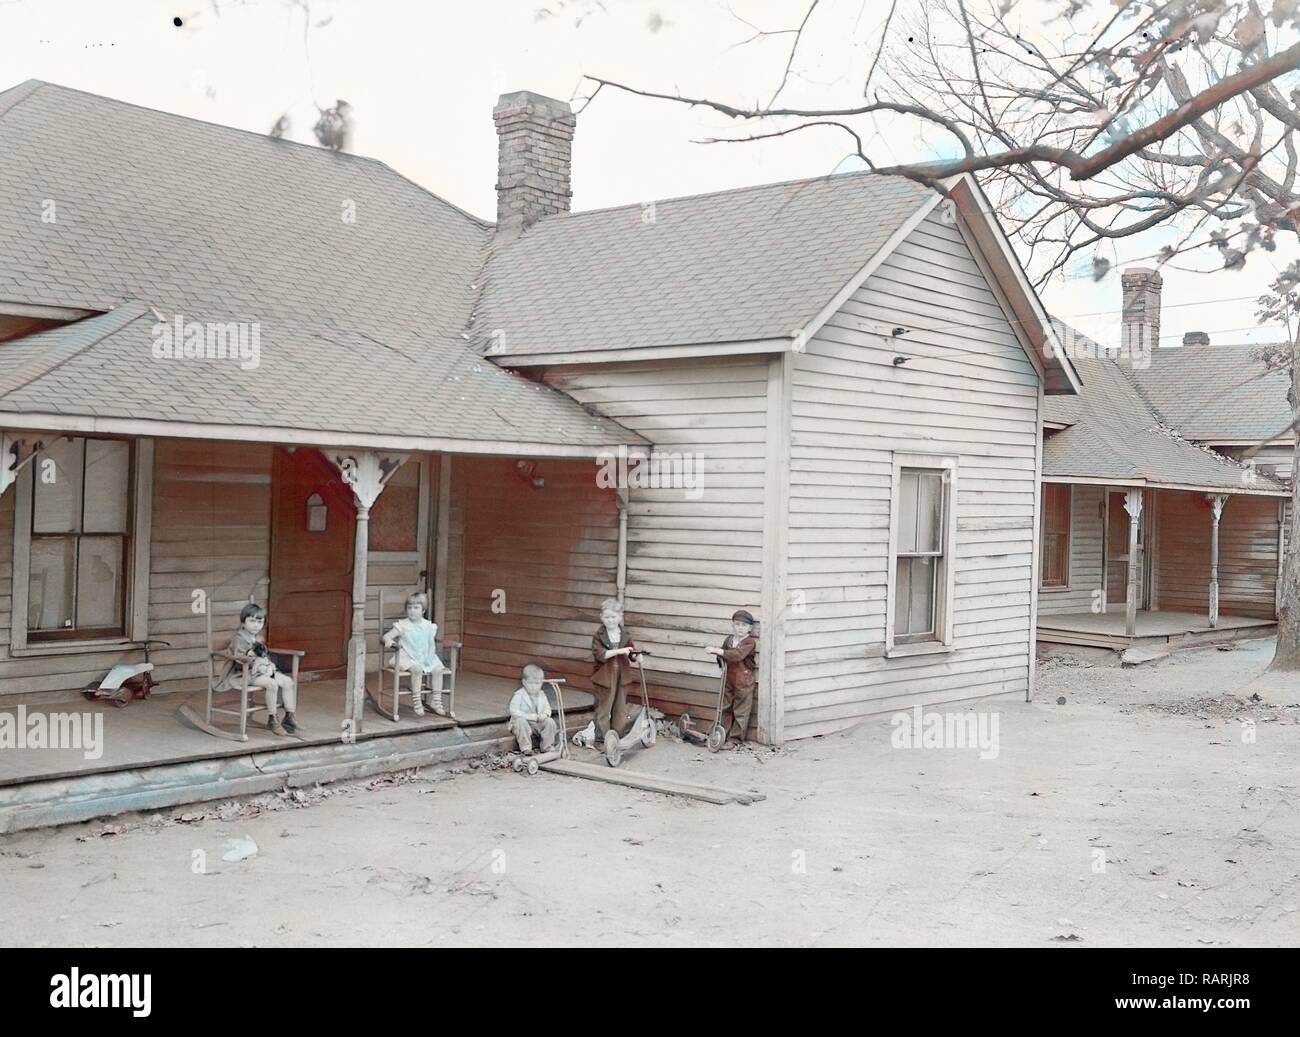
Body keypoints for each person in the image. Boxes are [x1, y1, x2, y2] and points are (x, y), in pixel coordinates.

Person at [217, 603, 301, 736]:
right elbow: (238, 659)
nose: (256, 625)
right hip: (244, 673)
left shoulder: (259, 638)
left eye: (259, 622)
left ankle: (289, 717)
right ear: (243, 622)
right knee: (272, 684)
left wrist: (268, 664)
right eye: (252, 621)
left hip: (262, 671)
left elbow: (263, 655)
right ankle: (272, 718)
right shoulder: (238, 639)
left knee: (287, 682)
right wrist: (250, 657)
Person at [382, 592, 446, 716]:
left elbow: (431, 643)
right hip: (407, 656)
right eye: (409, 608)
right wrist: (389, 640)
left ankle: (436, 701)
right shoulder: (403, 625)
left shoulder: (428, 625)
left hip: (425, 655)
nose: (412, 611)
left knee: (438, 669)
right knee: (417, 670)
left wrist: (430, 657)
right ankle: (417, 701)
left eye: (416, 608)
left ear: (423, 610)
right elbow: (387, 636)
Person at [590, 598, 640, 749]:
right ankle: (601, 740)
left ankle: (617, 738)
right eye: (607, 617)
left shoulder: (624, 634)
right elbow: (600, 655)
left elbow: (631, 652)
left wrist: (636, 656)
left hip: (622, 676)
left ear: (620, 617)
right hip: (605, 677)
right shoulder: (598, 636)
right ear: (601, 617)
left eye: (613, 617)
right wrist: (620, 651)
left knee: (620, 708)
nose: (610, 620)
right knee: (604, 709)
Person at [705, 609, 758, 750]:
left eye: (744, 625)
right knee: (725, 708)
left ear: (750, 628)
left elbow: (737, 655)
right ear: (733, 625)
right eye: (737, 624)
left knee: (741, 711)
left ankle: (735, 739)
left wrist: (718, 651)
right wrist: (719, 658)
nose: (740, 628)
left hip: (744, 680)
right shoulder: (729, 640)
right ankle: (721, 734)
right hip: (728, 678)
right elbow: (723, 655)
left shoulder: (749, 642)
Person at [508, 662, 558, 754]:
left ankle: (547, 746)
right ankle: (526, 747)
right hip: (523, 724)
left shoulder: (542, 695)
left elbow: (547, 708)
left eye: (537, 684)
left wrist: (545, 714)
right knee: (520, 721)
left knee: (550, 722)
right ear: (524, 682)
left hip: (537, 723)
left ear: (541, 683)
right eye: (531, 683)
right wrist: (529, 716)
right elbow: (513, 710)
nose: (534, 687)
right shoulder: (519, 695)